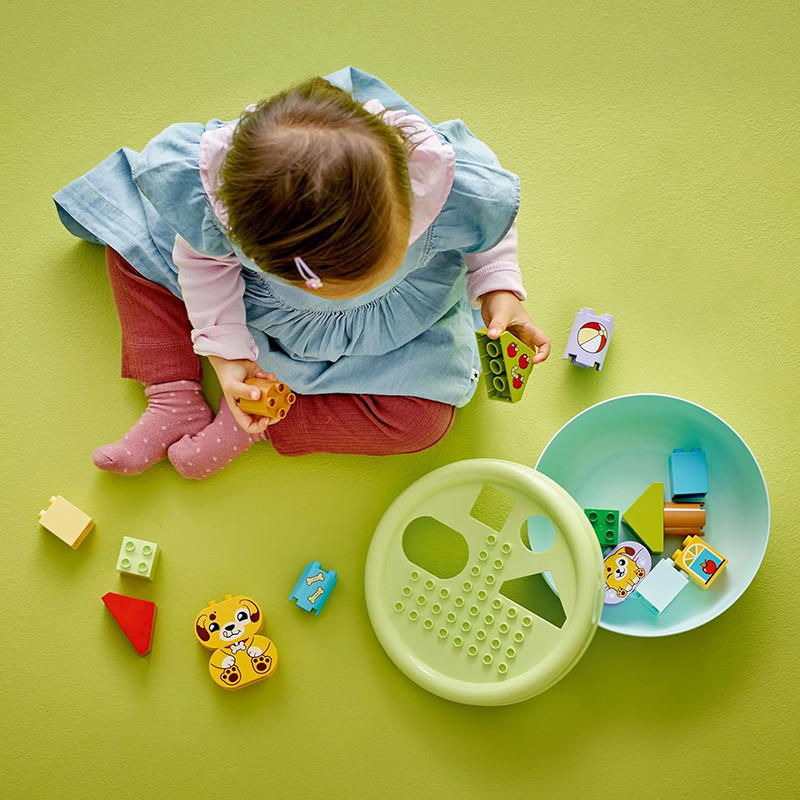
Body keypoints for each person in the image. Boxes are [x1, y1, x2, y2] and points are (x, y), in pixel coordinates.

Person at [53, 65, 550, 480]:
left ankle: (264, 419)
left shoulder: (437, 182)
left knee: (423, 421)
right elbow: (202, 260)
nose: (331, 294)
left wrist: (497, 284)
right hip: (258, 307)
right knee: (133, 248)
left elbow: (487, 223)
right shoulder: (225, 202)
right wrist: (226, 354)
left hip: (399, 333)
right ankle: (172, 394)